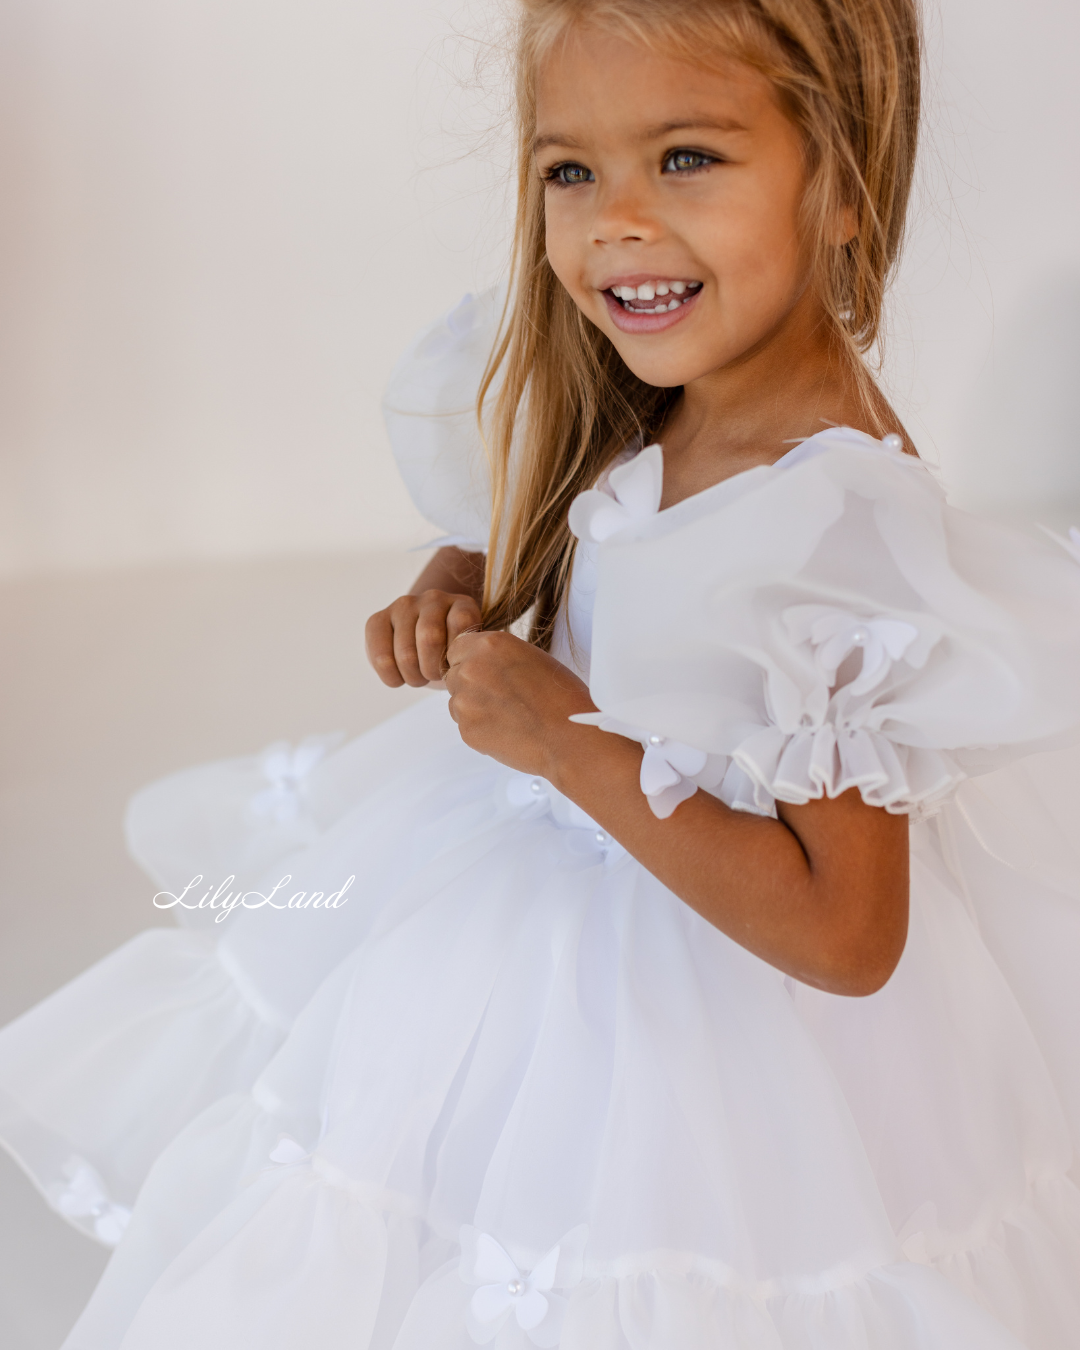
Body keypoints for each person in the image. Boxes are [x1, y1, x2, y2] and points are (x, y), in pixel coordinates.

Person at [2, 1, 1080, 1345]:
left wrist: (569, 739)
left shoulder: (837, 524)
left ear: (845, 184)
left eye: (687, 156)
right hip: (543, 924)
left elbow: (846, 933)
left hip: (716, 1036)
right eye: (571, 171)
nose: (614, 220)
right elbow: (632, 564)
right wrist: (480, 579)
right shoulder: (688, 394)